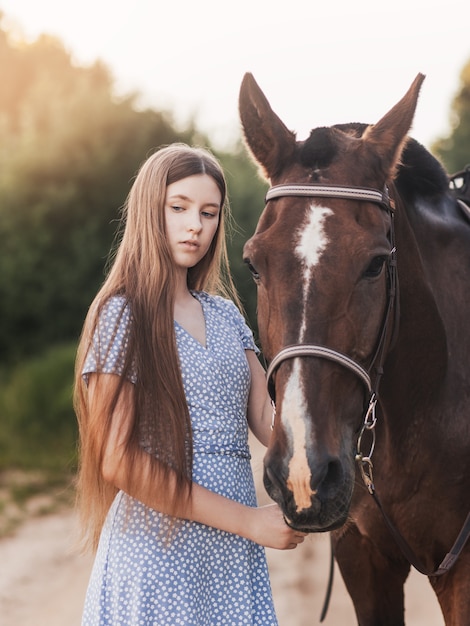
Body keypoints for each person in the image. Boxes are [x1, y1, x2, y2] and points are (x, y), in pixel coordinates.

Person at [74, 143, 306, 626]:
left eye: (209, 213)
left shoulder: (225, 316)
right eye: (177, 208)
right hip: (159, 557)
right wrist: (250, 521)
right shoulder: (123, 314)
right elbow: (117, 459)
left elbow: (269, 420)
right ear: (148, 211)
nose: (194, 226)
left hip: (230, 560)